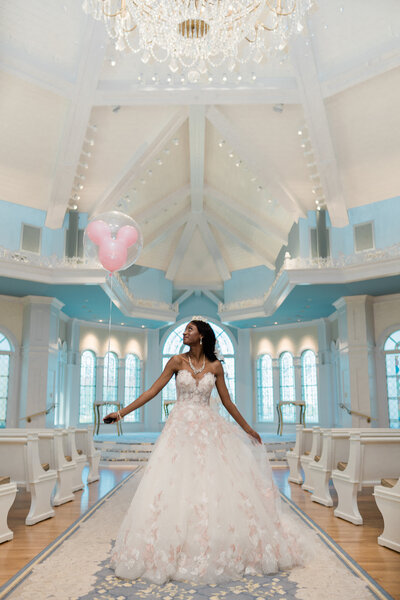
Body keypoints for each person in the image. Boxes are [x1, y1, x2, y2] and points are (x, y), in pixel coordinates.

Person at [104, 317, 309, 585]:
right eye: (185, 329)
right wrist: (121, 413)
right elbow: (152, 391)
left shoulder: (215, 366)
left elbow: (227, 402)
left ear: (201, 336)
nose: (185, 333)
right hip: (179, 432)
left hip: (207, 430)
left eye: (190, 329)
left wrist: (248, 428)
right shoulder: (177, 361)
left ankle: (215, 542)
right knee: (174, 484)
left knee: (211, 485)